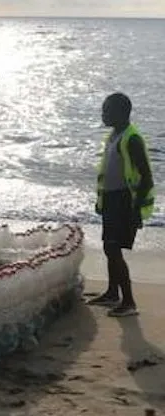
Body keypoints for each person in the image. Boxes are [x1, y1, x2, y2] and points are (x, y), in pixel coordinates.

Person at [87, 92, 155, 317]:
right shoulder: (113, 135)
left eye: (107, 110)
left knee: (114, 248)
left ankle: (129, 302)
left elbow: (146, 177)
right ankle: (111, 293)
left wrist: (136, 210)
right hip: (111, 199)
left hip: (125, 201)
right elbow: (109, 171)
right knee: (109, 246)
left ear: (121, 112)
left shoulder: (131, 138)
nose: (103, 114)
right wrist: (101, 200)